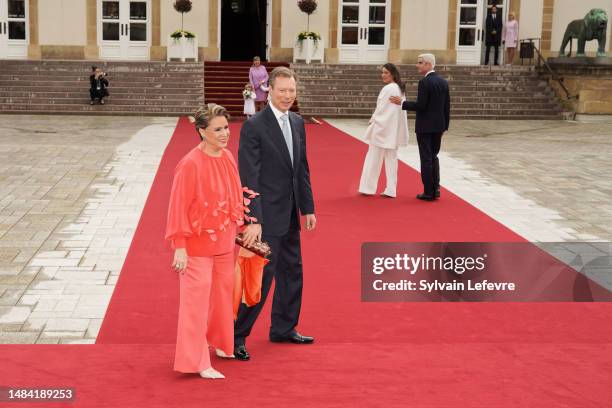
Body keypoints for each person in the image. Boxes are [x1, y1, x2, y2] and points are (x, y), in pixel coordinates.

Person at [235, 66, 316, 361]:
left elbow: (301, 168)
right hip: (264, 218)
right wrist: (252, 219)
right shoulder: (255, 125)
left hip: (290, 214)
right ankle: (236, 335)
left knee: (292, 271)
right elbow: (249, 177)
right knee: (259, 278)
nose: (287, 96)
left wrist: (307, 207)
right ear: (269, 89)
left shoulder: (296, 121)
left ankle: (283, 327)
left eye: (292, 91)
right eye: (282, 90)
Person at [165, 104, 245, 379]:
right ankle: (196, 361)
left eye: (226, 128)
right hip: (197, 246)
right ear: (202, 132)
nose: (225, 134)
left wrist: (242, 227)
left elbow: (236, 194)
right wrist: (180, 247)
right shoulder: (189, 164)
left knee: (223, 296)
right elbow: (178, 207)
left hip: (224, 242)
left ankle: (222, 344)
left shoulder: (228, 156)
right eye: (218, 129)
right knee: (195, 304)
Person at [390, 53, 450, 201]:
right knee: (433, 157)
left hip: (425, 127)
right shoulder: (443, 82)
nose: (417, 65)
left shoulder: (424, 83)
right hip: (438, 126)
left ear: (428, 65)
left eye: (420, 63)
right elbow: (447, 107)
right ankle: (436, 189)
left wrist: (402, 103)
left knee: (426, 159)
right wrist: (445, 127)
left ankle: (428, 192)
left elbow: (421, 105)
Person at [358, 63, 409, 198]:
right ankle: (391, 189)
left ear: (392, 74)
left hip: (382, 129)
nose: (383, 75)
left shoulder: (388, 88)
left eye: (386, 72)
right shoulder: (399, 88)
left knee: (373, 158)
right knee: (391, 160)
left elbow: (381, 109)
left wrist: (374, 121)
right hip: (393, 130)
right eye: (382, 72)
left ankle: (368, 188)